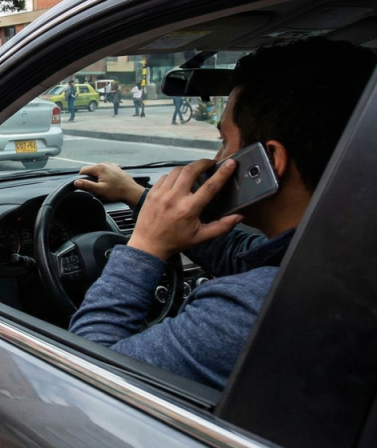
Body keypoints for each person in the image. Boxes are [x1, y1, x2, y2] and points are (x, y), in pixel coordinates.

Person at [68, 37, 376, 389]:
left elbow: (87, 380)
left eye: (224, 143)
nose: (216, 161)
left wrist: (145, 246)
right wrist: (137, 196)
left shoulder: (250, 309)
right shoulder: (340, 253)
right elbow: (247, 256)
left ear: (268, 163)